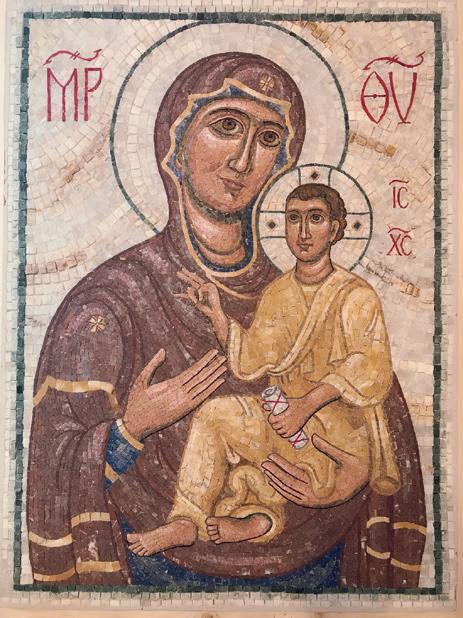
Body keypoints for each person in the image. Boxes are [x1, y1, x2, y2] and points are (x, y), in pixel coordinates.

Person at [27, 52, 426, 587]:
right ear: (175, 140)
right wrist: (131, 429)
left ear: (282, 163)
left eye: (267, 139)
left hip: (321, 569)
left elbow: (379, 423)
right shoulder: (109, 302)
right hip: (148, 573)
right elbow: (53, 467)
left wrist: (348, 478)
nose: (242, 160)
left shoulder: (316, 296)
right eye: (227, 127)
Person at [126, 182, 401, 555]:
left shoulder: (355, 296)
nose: (303, 232)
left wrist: (306, 405)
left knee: (300, 473)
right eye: (293, 219)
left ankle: (259, 519)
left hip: (335, 432)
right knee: (215, 414)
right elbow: (252, 359)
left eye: (315, 219)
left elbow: (368, 366)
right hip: (284, 419)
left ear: (335, 229)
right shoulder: (278, 293)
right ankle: (186, 520)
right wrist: (218, 316)